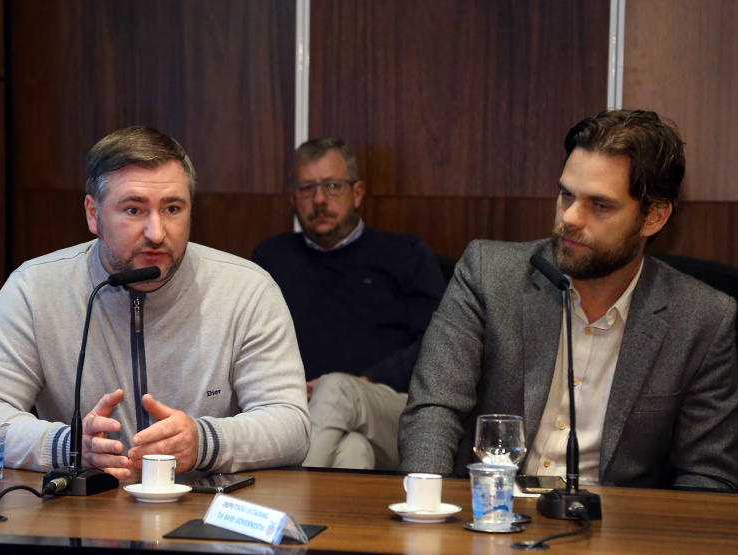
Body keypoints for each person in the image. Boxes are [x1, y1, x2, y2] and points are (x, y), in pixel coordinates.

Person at [399, 109, 738, 489]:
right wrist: (428, 508)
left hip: (615, 534)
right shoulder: (488, 275)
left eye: (600, 205)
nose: (570, 218)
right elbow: (434, 409)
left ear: (653, 217)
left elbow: (708, 473)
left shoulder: (704, 319)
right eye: (566, 195)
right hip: (487, 516)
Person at [0, 127, 309, 478]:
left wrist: (204, 442)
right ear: (93, 213)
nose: (156, 233)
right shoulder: (35, 288)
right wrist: (70, 445)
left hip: (206, 516)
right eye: (134, 210)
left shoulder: (246, 289)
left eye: (172, 208)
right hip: (84, 518)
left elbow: (291, 426)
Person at [252, 138, 446, 470]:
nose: (319, 200)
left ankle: (279, 504)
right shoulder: (271, 258)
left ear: (357, 193)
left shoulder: (406, 254)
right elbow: (249, 344)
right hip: (305, 409)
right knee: (353, 451)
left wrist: (364, 383)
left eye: (332, 186)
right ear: (291, 198)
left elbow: (438, 344)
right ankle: (315, 520)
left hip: (391, 409)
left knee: (336, 387)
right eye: (306, 189)